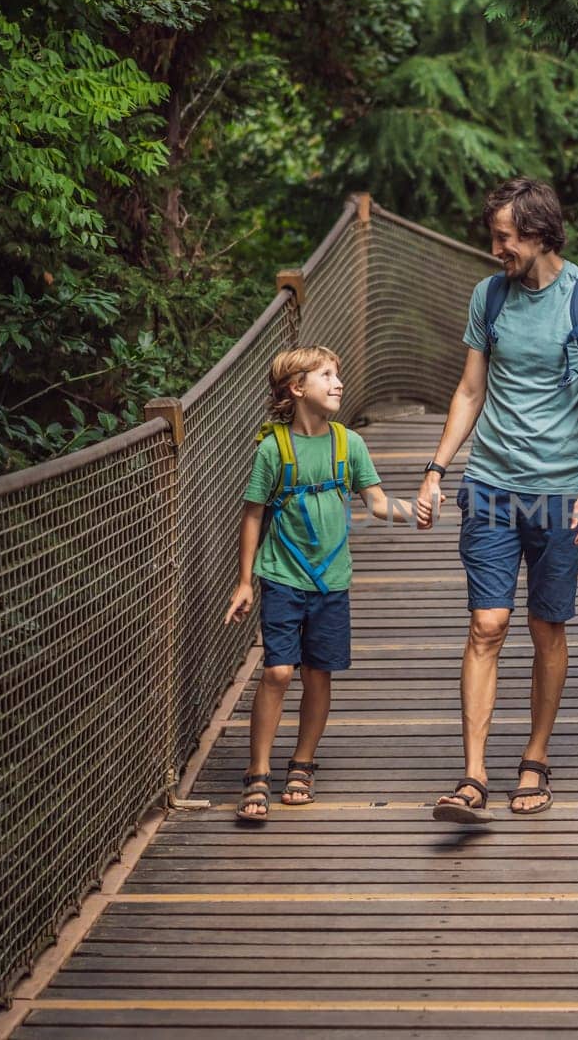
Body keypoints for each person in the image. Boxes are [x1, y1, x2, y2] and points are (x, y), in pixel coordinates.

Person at [415, 177, 578, 822]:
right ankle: (474, 774)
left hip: (561, 493)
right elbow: (469, 391)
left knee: (546, 627)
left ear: (538, 234)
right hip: (491, 485)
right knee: (487, 624)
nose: (496, 250)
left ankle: (535, 757)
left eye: (505, 239)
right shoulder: (489, 295)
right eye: (494, 238)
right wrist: (435, 468)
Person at [224, 345, 420, 824]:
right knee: (278, 672)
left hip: (331, 581)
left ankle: (303, 763)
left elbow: (375, 502)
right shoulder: (273, 449)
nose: (338, 383)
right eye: (327, 375)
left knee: (318, 673)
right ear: (297, 388)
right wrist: (244, 581)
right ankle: (258, 770)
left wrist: (411, 511)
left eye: (338, 374)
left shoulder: (347, 444)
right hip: (282, 576)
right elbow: (253, 514)